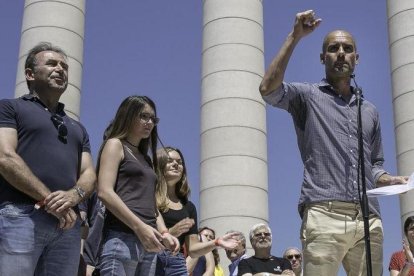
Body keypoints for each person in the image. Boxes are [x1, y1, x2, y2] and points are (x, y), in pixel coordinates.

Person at [259, 9, 409, 276]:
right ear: (322, 57)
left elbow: (374, 165)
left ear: (356, 58)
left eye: (347, 48)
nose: (341, 52)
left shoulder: (370, 111)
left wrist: (388, 179)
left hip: (368, 218)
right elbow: (268, 90)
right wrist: (294, 37)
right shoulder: (307, 96)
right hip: (324, 212)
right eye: (333, 48)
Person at [0, 42, 96, 275]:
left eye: (64, 66)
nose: (60, 69)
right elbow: (5, 156)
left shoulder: (78, 128)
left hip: (67, 225)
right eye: (52, 64)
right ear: (30, 74)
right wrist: (50, 200)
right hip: (21, 215)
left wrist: (74, 195)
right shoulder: (10, 108)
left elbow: (89, 174)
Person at [96, 96, 179, 276]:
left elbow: (152, 205)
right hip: (122, 238)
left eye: (153, 119)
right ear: (128, 115)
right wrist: (139, 227)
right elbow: (104, 191)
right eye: (144, 116)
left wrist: (164, 232)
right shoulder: (115, 145)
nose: (150, 122)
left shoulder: (146, 159)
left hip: (149, 244)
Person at [155, 146, 239, 275]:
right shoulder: (149, 197)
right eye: (170, 161)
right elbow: (141, 236)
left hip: (176, 263)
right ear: (159, 165)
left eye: (180, 162)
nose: (176, 164)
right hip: (152, 261)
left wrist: (216, 242)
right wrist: (171, 232)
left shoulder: (189, 207)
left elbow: (193, 249)